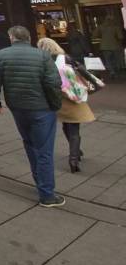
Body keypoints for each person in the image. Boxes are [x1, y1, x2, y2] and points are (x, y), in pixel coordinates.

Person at [0, 25, 64, 207]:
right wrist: (55, 105)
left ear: (11, 37)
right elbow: (54, 82)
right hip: (42, 108)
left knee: (30, 144)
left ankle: (40, 183)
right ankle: (47, 195)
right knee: (44, 150)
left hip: (18, 107)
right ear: (29, 38)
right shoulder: (43, 55)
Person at [36, 37, 96, 173]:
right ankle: (73, 159)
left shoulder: (41, 62)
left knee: (65, 125)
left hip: (57, 98)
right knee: (74, 128)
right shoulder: (66, 58)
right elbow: (81, 72)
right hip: (72, 96)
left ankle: (76, 151)